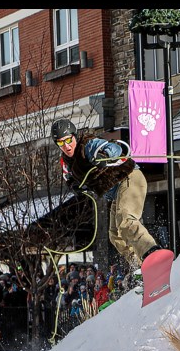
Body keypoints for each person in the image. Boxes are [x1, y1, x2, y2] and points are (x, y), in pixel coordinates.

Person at [50, 118, 168, 288]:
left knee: (125, 220)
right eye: (61, 143)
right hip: (115, 192)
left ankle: (153, 254)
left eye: (69, 140)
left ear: (74, 137)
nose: (67, 146)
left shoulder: (87, 145)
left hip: (128, 178)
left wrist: (105, 156)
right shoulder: (67, 163)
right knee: (115, 235)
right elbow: (70, 178)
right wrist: (76, 185)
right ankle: (141, 267)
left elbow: (115, 148)